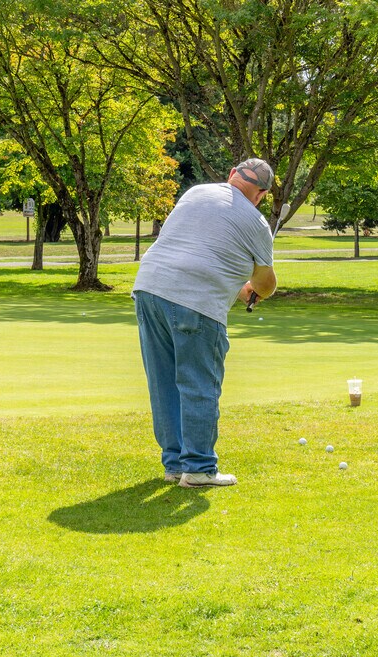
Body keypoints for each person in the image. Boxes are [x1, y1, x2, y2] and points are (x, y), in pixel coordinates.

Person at [132, 158, 278, 488]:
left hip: (150, 289)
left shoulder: (196, 192)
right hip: (196, 304)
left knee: (164, 381)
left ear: (232, 175)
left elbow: (195, 248)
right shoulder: (256, 223)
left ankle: (174, 465)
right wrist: (255, 290)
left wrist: (239, 287)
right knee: (199, 383)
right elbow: (265, 283)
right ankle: (198, 469)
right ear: (261, 195)